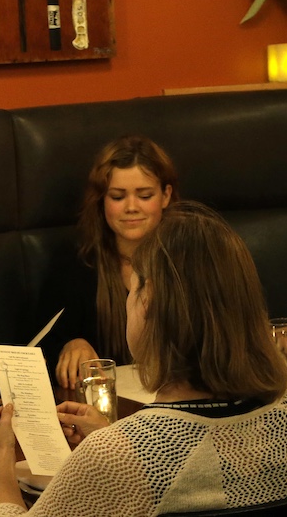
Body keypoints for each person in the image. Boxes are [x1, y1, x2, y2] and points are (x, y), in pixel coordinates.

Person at [0, 201, 287, 515]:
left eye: (136, 287)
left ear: (152, 306)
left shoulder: (112, 456)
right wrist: (115, 437)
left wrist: (2, 456)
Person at [53, 135, 177, 389]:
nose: (131, 207)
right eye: (118, 197)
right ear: (102, 201)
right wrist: (71, 343)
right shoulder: (77, 266)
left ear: (165, 196)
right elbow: (40, 345)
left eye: (144, 195)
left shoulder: (190, 259)